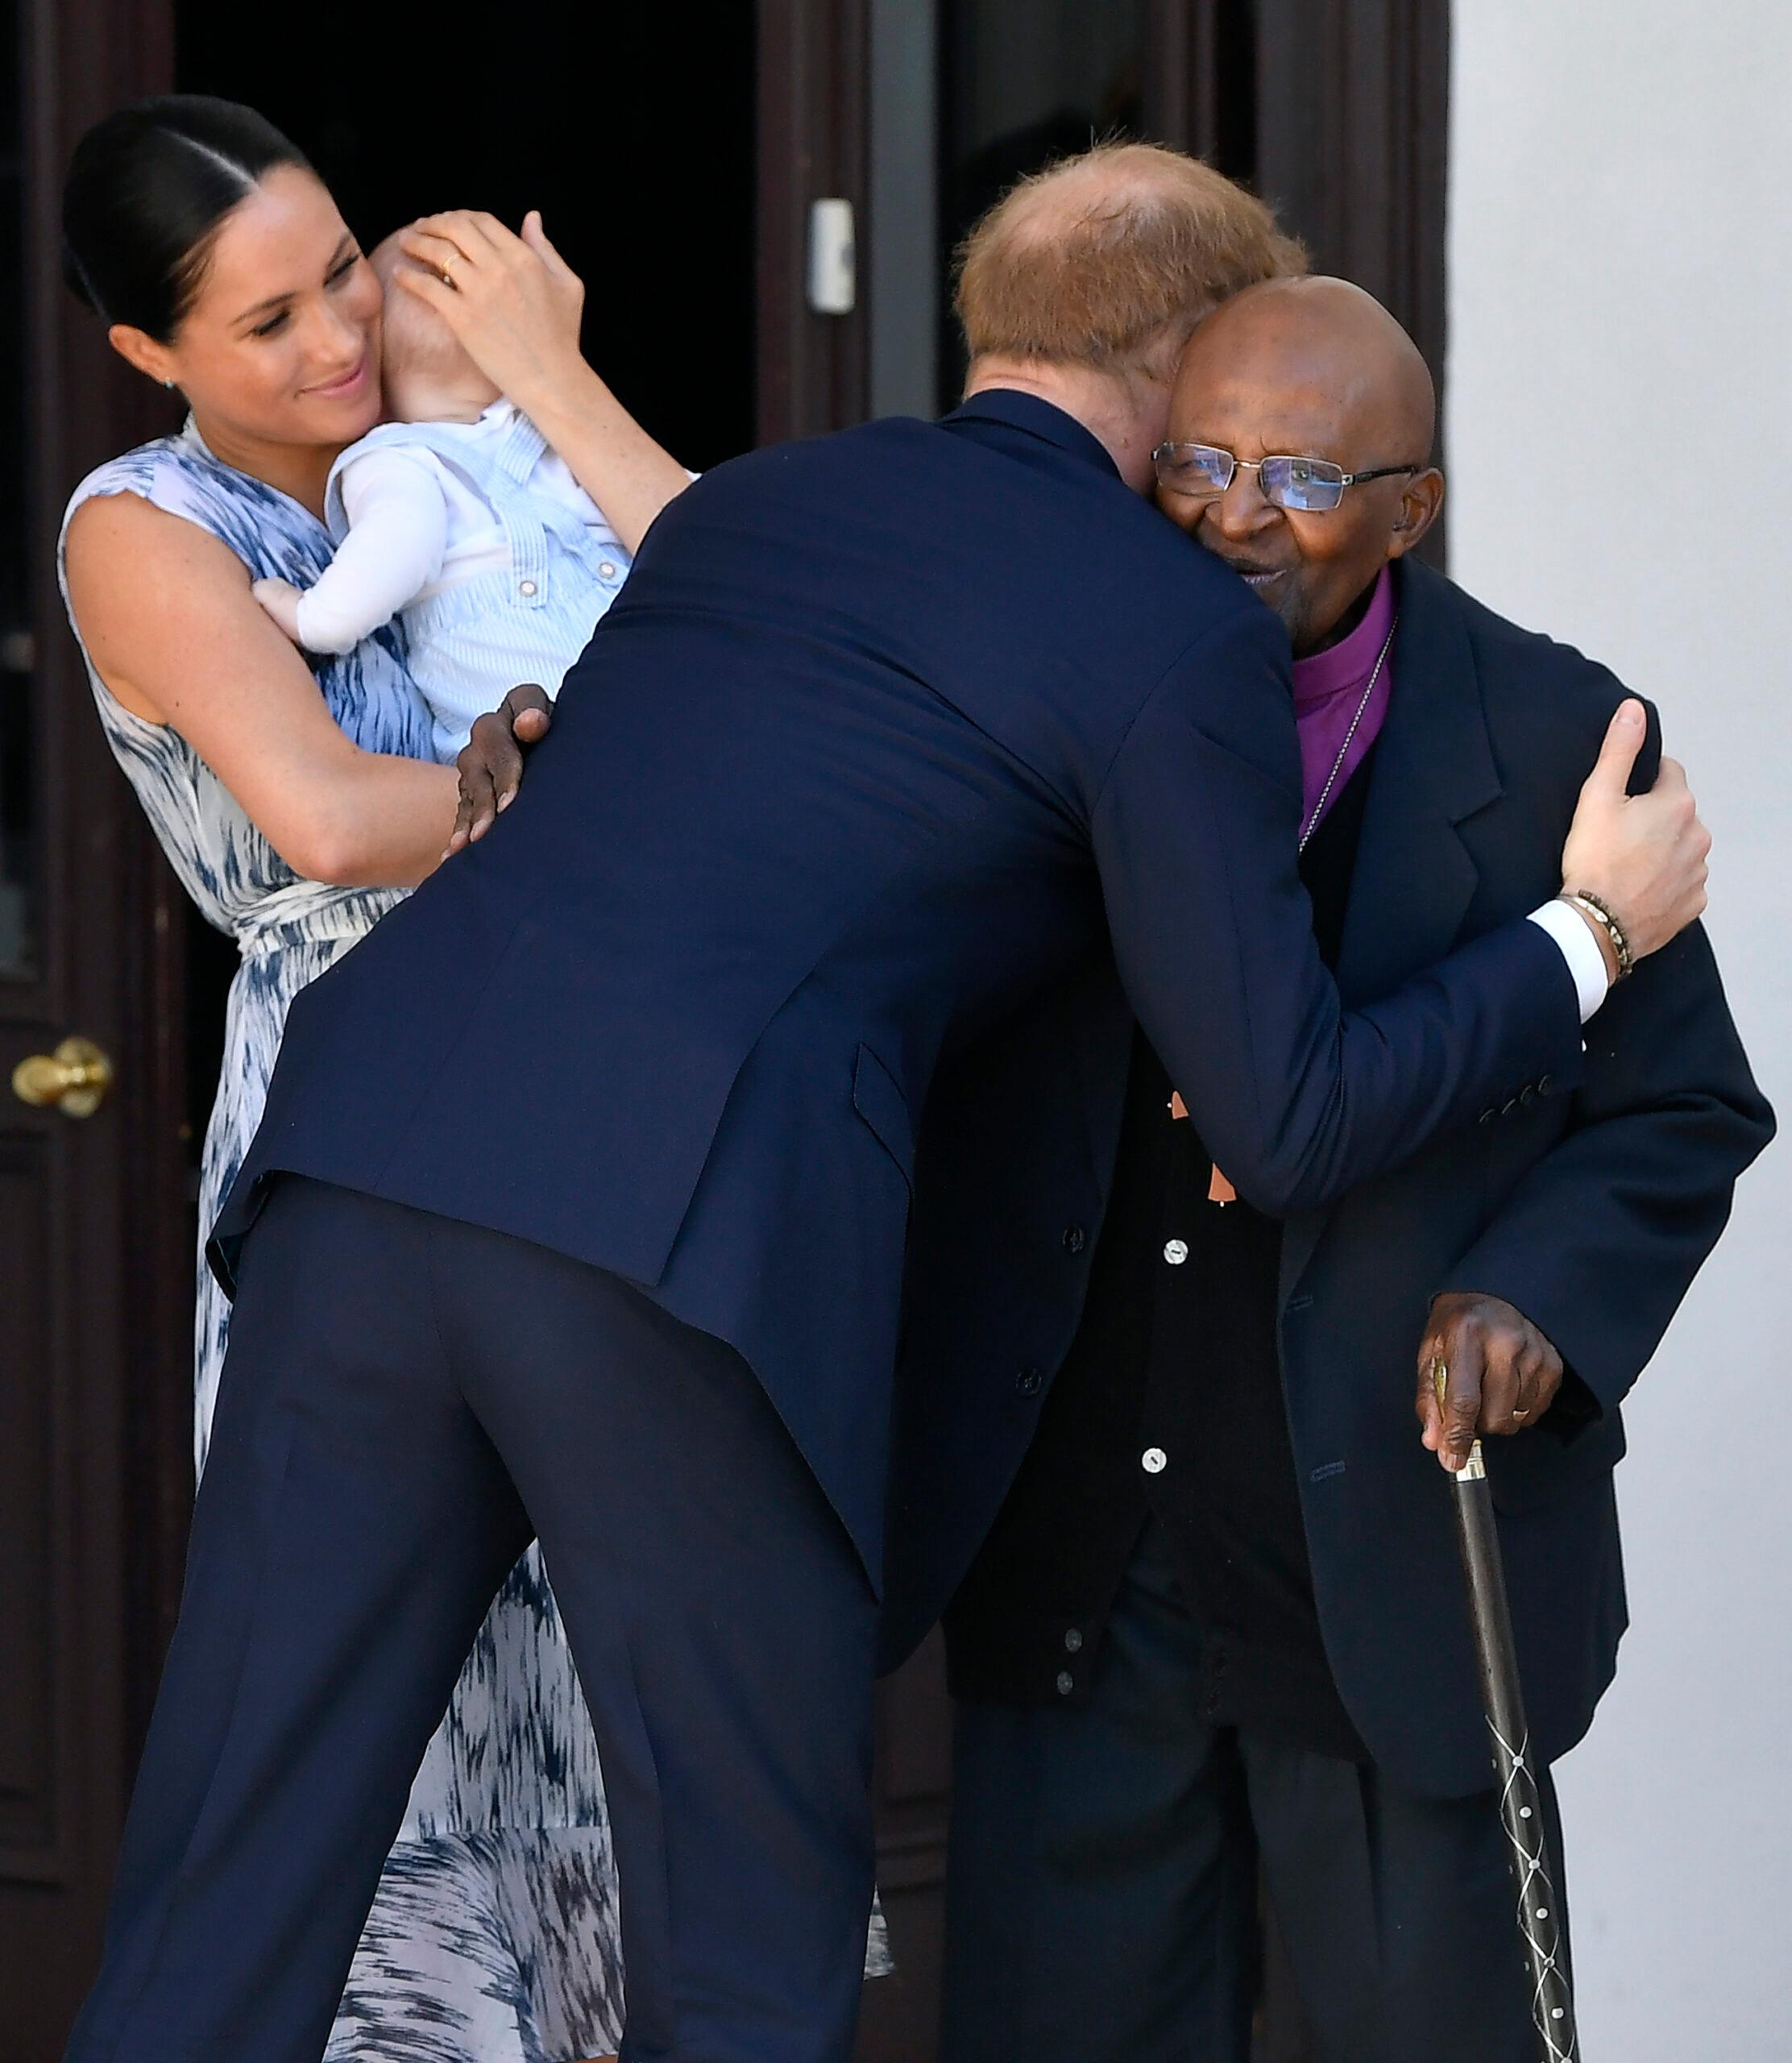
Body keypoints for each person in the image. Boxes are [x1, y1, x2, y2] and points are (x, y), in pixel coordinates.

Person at [62, 143, 1709, 2063]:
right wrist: (1585, 930)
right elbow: (1285, 1108)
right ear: (1189, 362)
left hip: (355, 1157)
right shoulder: (1158, 626)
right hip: (670, 1239)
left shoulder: (761, 502)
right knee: (745, 1921)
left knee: (234, 1863)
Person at [935, 277, 1774, 2063]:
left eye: (1298, 476)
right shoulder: (1052, 691)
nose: (1232, 512)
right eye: (1197, 460)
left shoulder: (1555, 739)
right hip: (1087, 1549)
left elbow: (1678, 1107)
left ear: (1409, 507)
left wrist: (1538, 1296)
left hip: (1385, 1560)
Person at [56, 93, 683, 2063]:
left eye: (340, 271)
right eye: (265, 322)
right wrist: (636, 795)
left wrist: (556, 381)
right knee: (375, 1703)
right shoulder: (149, 529)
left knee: (611, 1664)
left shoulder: (476, 450)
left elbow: (755, 623)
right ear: (151, 355)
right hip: (356, 1134)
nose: (337, 338)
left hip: (586, 1120)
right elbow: (326, 819)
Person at [252, 230, 636, 758]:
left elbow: (398, 540)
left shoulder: (396, 456)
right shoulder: (566, 436)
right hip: (641, 659)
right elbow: (690, 512)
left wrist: (313, 618)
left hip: (525, 700)